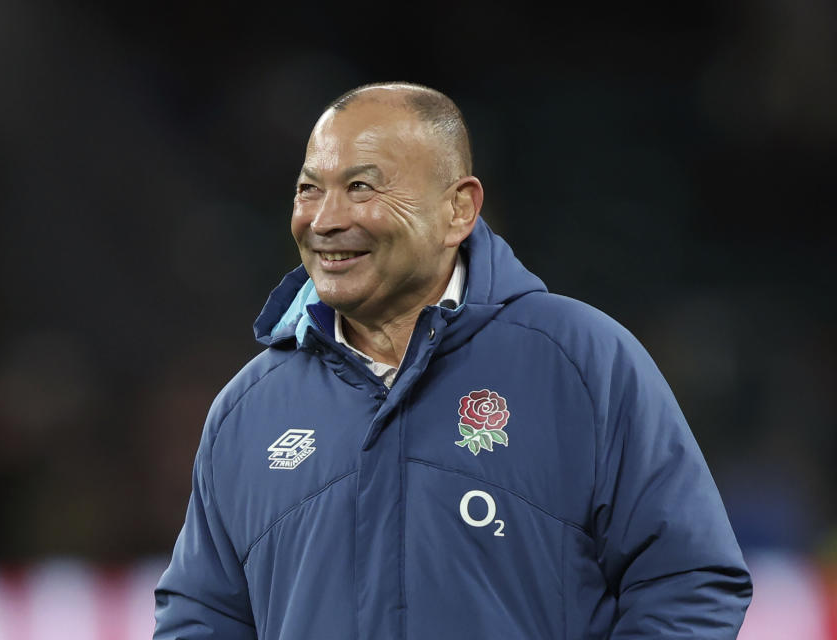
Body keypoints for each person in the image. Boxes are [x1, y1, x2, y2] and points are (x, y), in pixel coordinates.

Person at [154, 82, 752, 639]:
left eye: (361, 187)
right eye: (310, 188)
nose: (326, 219)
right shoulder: (247, 411)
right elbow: (201, 617)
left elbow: (687, 581)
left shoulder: (581, 361)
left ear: (459, 210)